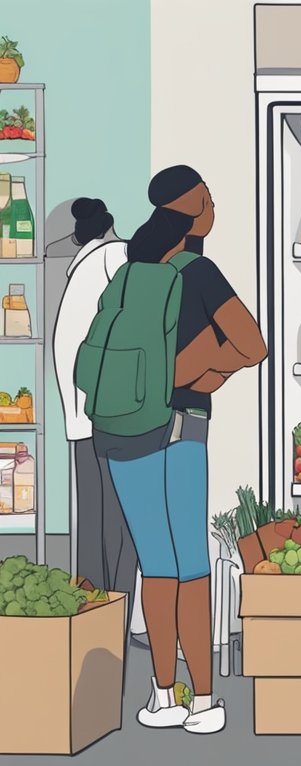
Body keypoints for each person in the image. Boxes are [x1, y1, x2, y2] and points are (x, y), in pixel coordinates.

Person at [90, 165, 267, 734]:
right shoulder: (198, 270)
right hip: (179, 427)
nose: (214, 209)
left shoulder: (130, 270)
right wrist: (209, 370)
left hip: (121, 430)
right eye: (209, 200)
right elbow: (253, 344)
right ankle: (205, 701)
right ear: (195, 210)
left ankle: (163, 695)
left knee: (156, 567)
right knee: (191, 565)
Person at [53, 198, 136, 611]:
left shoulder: (83, 270)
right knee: (120, 522)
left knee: (94, 521)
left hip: (82, 415)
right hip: (110, 413)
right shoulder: (116, 257)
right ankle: (118, 615)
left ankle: (93, 615)